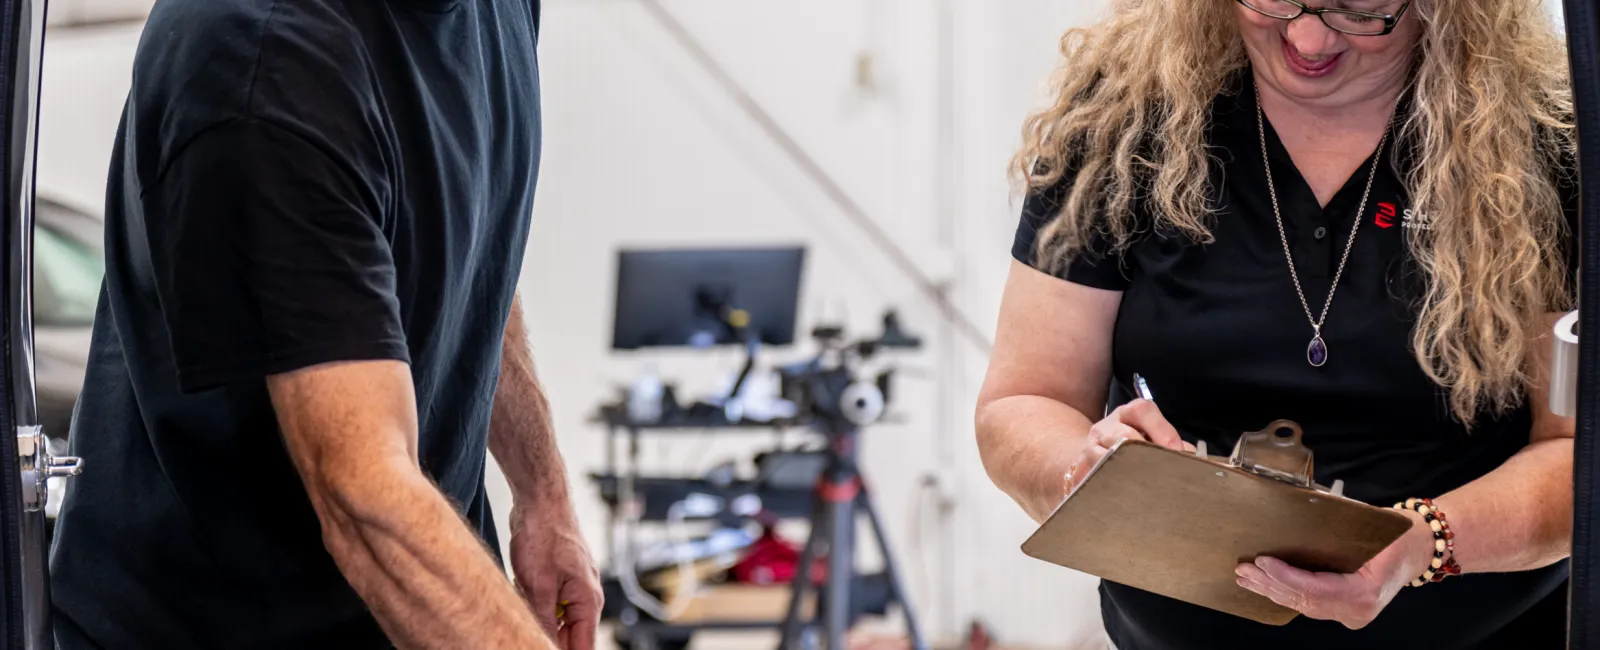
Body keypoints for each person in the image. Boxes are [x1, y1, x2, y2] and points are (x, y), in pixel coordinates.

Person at [976, 1, 1578, 649]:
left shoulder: (1541, 140)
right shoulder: (1121, 120)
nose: (1308, 36)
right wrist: (1083, 469)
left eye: (1358, 10)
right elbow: (1024, 401)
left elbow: (1574, 450)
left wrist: (1421, 544)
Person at [46, 0, 602, 648]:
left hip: (407, 599)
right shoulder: (265, 59)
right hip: (221, 624)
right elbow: (364, 500)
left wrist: (544, 498)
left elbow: (461, 251)